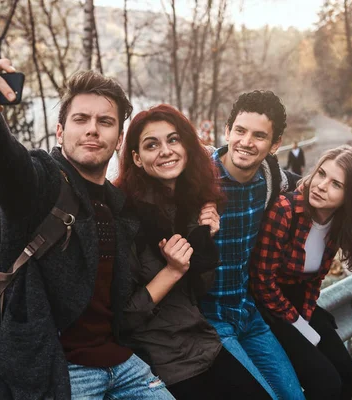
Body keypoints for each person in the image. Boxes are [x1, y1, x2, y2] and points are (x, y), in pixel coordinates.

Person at [0, 55, 174, 400]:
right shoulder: (40, 184)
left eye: (105, 122)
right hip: (58, 371)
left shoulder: (117, 203)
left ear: (118, 139)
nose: (92, 129)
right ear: (60, 130)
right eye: (80, 119)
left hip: (124, 364)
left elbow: (166, 196)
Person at [115, 104, 275, 400]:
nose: (166, 151)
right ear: (137, 159)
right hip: (157, 358)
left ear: (187, 147)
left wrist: (205, 238)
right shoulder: (125, 217)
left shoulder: (191, 205)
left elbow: (200, 289)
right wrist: (172, 271)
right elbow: (123, 317)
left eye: (173, 140)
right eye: (152, 145)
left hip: (201, 343)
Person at [250, 145, 352, 399]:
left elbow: (315, 279)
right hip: (267, 307)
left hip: (299, 304)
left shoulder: (338, 224)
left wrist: (307, 315)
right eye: (321, 174)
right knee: (326, 384)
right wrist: (298, 323)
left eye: (336, 184)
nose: (321, 186)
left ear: (351, 197)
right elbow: (261, 282)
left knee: (348, 377)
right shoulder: (285, 210)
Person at [199, 90, 305, 400]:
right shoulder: (199, 176)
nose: (247, 142)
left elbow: (308, 186)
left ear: (275, 145)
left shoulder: (270, 178)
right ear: (228, 131)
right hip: (208, 320)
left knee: (294, 397)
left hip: (248, 313)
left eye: (259, 136)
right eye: (240, 131)